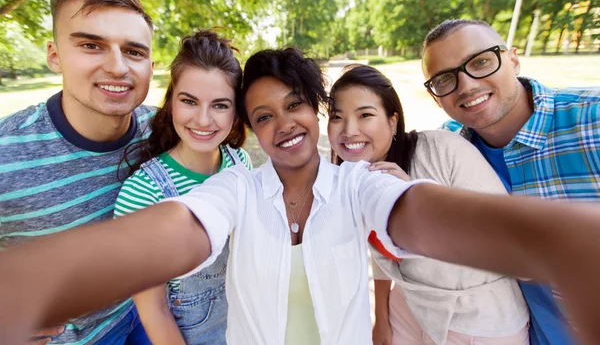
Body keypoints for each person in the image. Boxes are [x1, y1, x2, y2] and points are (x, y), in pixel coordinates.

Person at [2, 49, 600, 345]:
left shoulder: (356, 180)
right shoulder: (236, 182)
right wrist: (46, 279)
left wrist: (556, 239)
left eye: (293, 106)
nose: (283, 125)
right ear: (252, 130)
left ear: (316, 112)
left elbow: (414, 212)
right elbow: (185, 229)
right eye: (263, 116)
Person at [422, 18, 600, 345]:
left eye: (481, 62)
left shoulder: (592, 121)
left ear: (513, 59)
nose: (467, 85)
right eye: (445, 79)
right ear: (437, 98)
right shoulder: (446, 150)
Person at [0, 0, 154, 344]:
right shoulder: (7, 154)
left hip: (145, 309)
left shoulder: (161, 129)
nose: (118, 66)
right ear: (55, 56)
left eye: (134, 51)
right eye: (91, 45)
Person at [327, 64, 529, 345]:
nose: (349, 131)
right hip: (410, 305)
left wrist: (415, 201)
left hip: (479, 317)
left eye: (365, 115)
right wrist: (381, 319)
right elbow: (380, 255)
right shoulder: (353, 177)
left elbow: (513, 247)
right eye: (337, 117)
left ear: (393, 121)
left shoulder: (442, 150)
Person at [114, 29, 252, 344]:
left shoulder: (240, 162)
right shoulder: (143, 192)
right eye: (189, 101)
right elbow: (154, 311)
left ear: (236, 111)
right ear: (172, 102)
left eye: (220, 105)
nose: (203, 120)